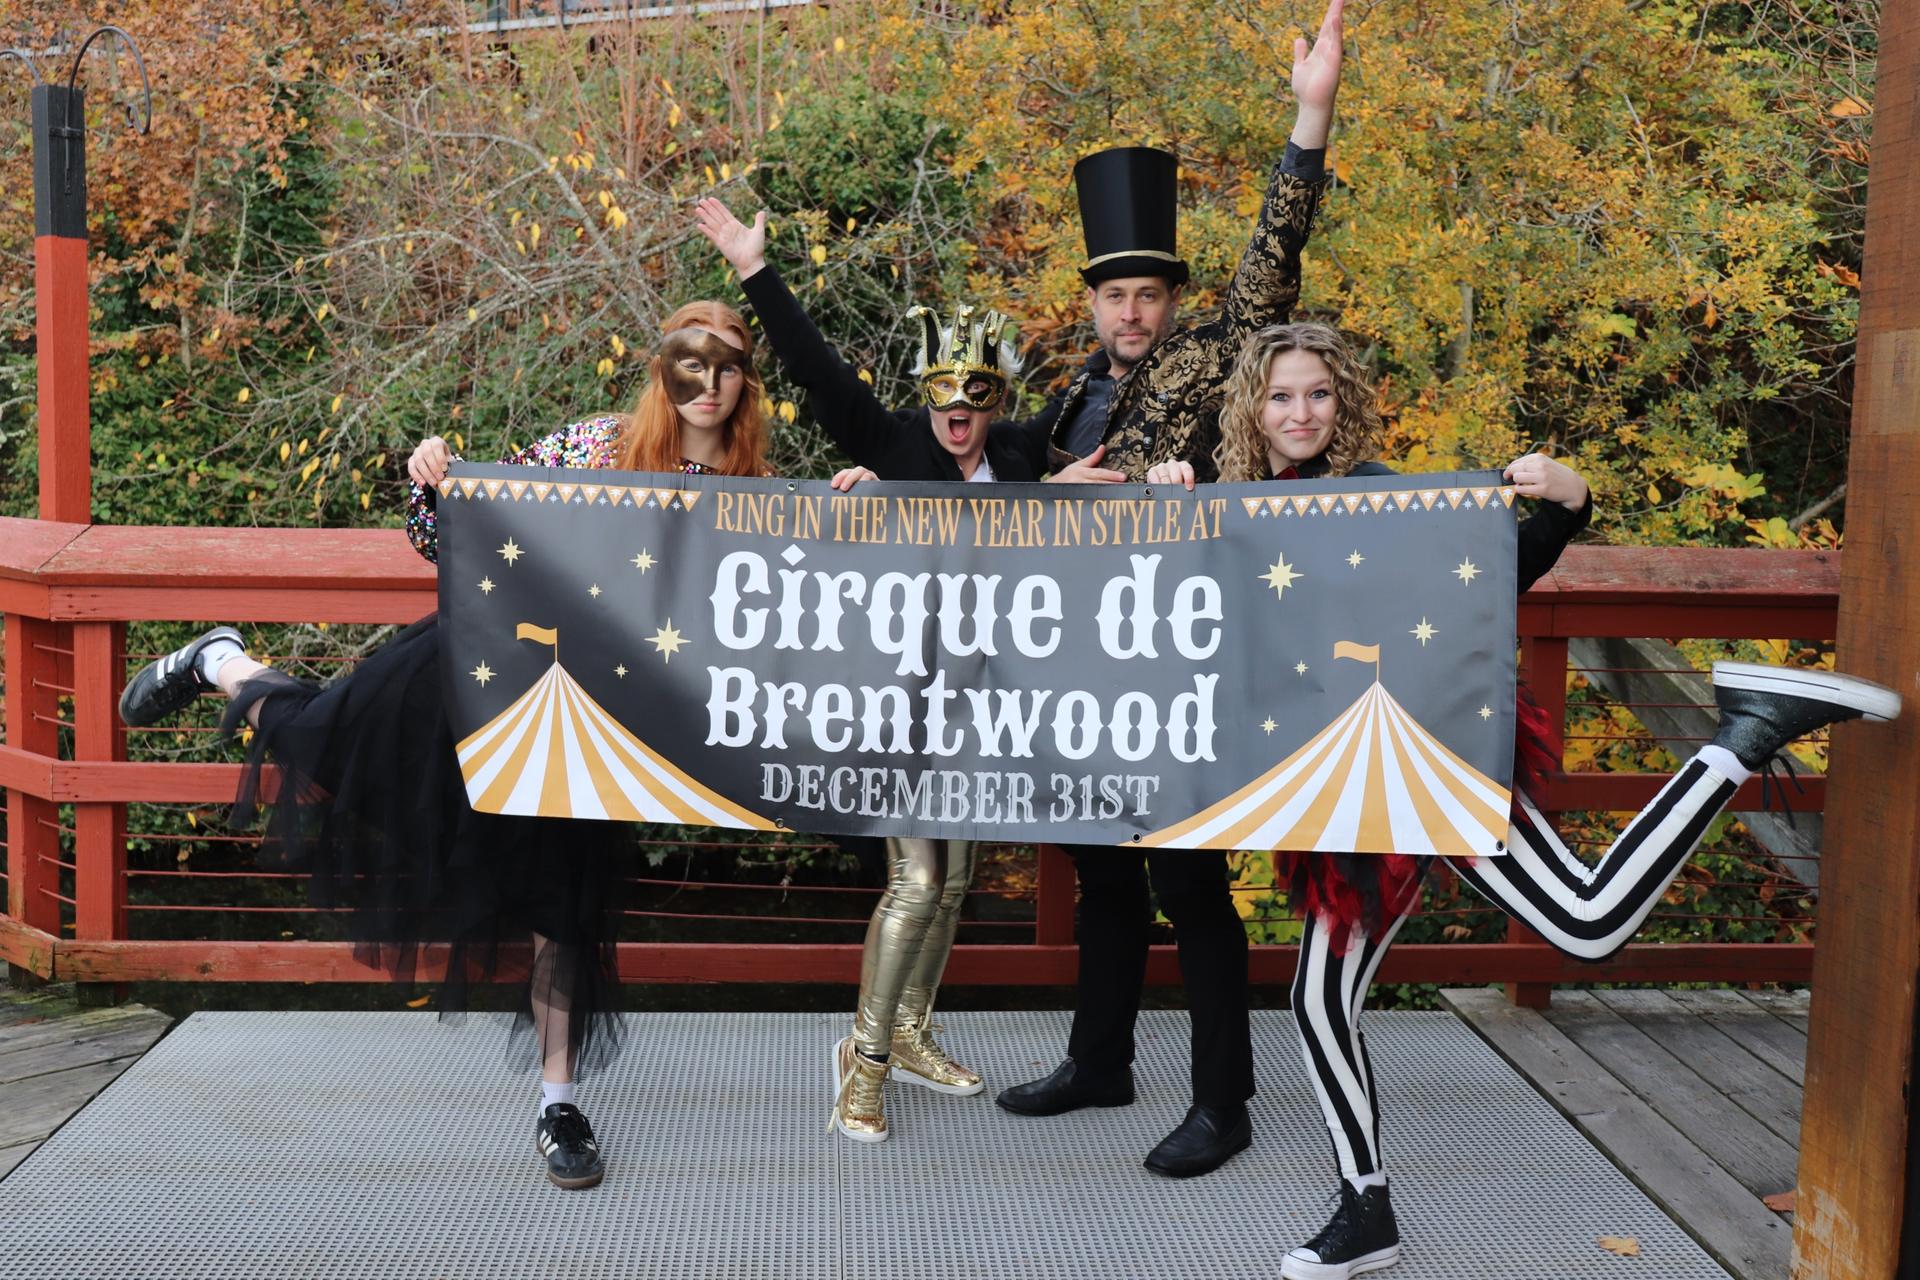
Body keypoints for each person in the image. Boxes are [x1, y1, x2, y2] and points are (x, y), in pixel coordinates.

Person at [1159, 321, 1902, 1280]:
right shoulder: (1233, 514)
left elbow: (1493, 572)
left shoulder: (1385, 497)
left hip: (1429, 760)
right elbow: (1173, 618)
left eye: (1319, 393)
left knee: (1587, 925)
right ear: (1251, 410)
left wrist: (1570, 497)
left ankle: (1747, 733)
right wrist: (1165, 507)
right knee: (1318, 1002)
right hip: (1341, 799)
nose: (1300, 413)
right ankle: (1366, 1208)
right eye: (1280, 396)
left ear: (1342, 401)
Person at [116, 301, 772, 1192]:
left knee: (566, 906)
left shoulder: (757, 494)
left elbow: (785, 607)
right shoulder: (597, 445)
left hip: (594, 728)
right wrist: (437, 477)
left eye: (728, 365)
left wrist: (856, 506)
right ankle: (221, 662)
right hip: (481, 673)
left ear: (747, 381)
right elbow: (458, 537)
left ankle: (558, 1106)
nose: (708, 384)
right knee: (323, 747)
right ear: (663, 369)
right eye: (691, 362)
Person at [993, 0, 1351, 1185]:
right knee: (1099, 869)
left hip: (1181, 660)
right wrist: (1048, 486)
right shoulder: (1066, 393)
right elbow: (986, 487)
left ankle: (1222, 1101)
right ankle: (1101, 1059)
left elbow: (1273, 262)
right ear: (1093, 303)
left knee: (1190, 879)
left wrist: (1309, 117)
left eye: (1148, 292)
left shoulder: (1211, 354)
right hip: (1079, 666)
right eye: (1114, 296)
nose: (1132, 312)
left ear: (1169, 298)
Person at [697, 195, 1067, 1142]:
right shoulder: (894, 446)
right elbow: (819, 373)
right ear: (925, 394)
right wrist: (754, 269)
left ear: (998, 397)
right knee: (916, 879)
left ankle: (909, 1030)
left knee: (958, 878)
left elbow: (1094, 469)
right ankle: (860, 1065)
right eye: (944, 391)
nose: (958, 409)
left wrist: (1097, 489)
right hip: (897, 700)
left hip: (985, 704)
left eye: (976, 392)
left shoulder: (1021, 454)